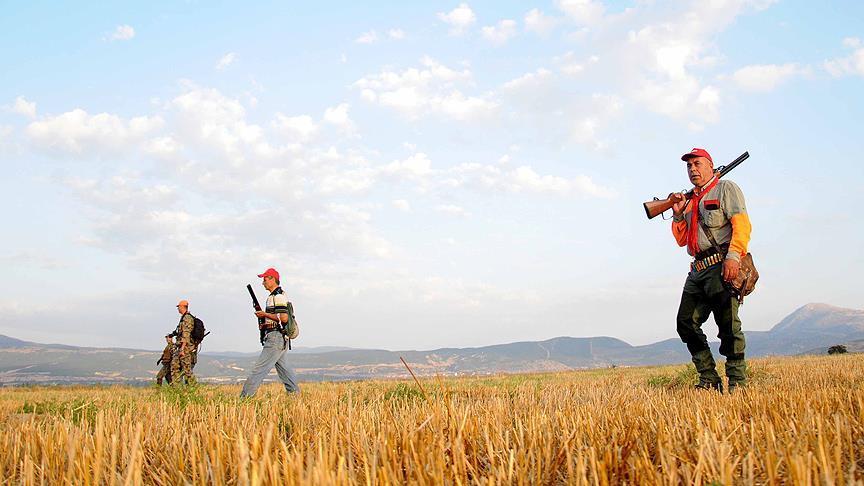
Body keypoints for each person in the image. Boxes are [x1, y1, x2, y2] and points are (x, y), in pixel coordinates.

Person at [670, 148, 752, 393]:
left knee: (728, 326)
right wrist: (677, 215)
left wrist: (734, 256)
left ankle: (737, 383)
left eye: (697, 164)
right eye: (689, 166)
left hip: (722, 264)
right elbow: (682, 239)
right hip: (697, 270)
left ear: (710, 166)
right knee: (685, 323)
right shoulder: (690, 200)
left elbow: (742, 225)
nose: (693, 169)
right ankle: (709, 378)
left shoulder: (726, 188)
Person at [240, 268, 300, 397]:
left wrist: (264, 314)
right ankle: (295, 396)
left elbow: (283, 317)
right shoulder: (275, 295)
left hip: (275, 337)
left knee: (258, 370)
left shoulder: (278, 296)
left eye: (265, 279)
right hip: (279, 338)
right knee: (285, 371)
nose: (263, 282)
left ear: (273, 279)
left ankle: (244, 399)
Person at [170, 299, 197, 385]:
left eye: (179, 307)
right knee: (174, 367)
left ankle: (193, 387)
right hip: (181, 347)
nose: (178, 309)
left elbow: (186, 334)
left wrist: (182, 349)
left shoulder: (187, 318)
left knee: (186, 370)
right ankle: (177, 390)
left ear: (183, 307)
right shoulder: (183, 318)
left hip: (185, 348)